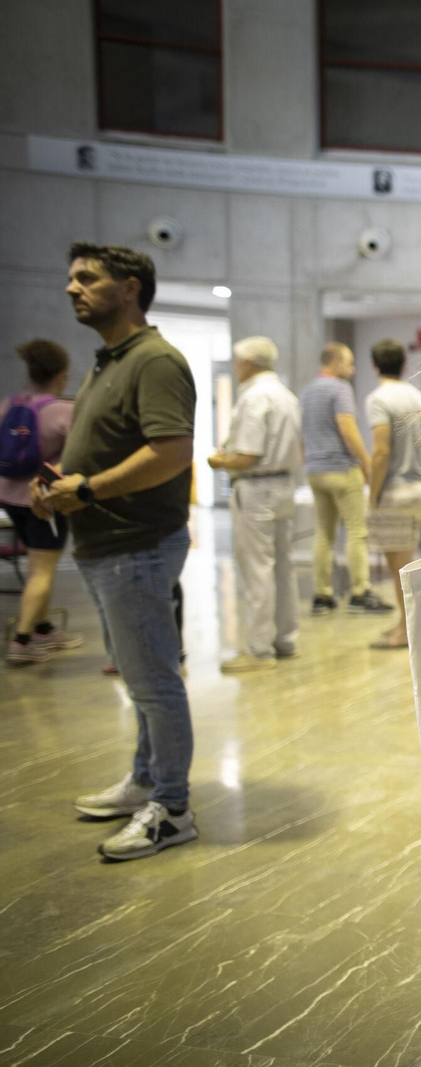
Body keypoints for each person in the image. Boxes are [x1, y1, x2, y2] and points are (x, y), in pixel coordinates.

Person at [34, 242, 198, 861]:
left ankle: (172, 808)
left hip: (137, 545)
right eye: (70, 278)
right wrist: (61, 485)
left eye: (87, 278)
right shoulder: (109, 359)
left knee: (153, 680)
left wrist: (86, 487)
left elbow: (171, 451)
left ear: (129, 287)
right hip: (107, 545)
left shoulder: (154, 359)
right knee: (137, 676)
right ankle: (147, 780)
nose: (72, 288)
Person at [208, 336, 302, 674]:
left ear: (247, 363)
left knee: (257, 568)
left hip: (256, 488)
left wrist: (218, 461)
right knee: (282, 567)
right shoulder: (286, 396)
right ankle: (285, 638)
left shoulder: (254, 397)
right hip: (283, 486)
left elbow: (247, 455)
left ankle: (259, 649)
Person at [2, 339, 83, 665]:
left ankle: (44, 629)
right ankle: (22, 641)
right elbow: (78, 457)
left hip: (8, 497)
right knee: (42, 570)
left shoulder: (10, 404)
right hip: (44, 502)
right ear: (61, 376)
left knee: (37, 566)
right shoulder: (64, 410)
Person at [302, 342, 389, 615]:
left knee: (323, 532)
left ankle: (322, 595)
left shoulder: (306, 392)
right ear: (335, 362)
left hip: (315, 470)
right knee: (356, 531)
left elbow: (301, 436)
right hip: (342, 469)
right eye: (349, 363)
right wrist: (366, 463)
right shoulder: (340, 389)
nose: (352, 370)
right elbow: (347, 429)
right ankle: (359, 592)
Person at [364, 337, 421, 650]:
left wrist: (373, 494)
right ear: (404, 364)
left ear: (375, 365)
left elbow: (380, 451)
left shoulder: (379, 399)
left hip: (394, 491)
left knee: (400, 568)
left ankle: (406, 629)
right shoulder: (418, 397)